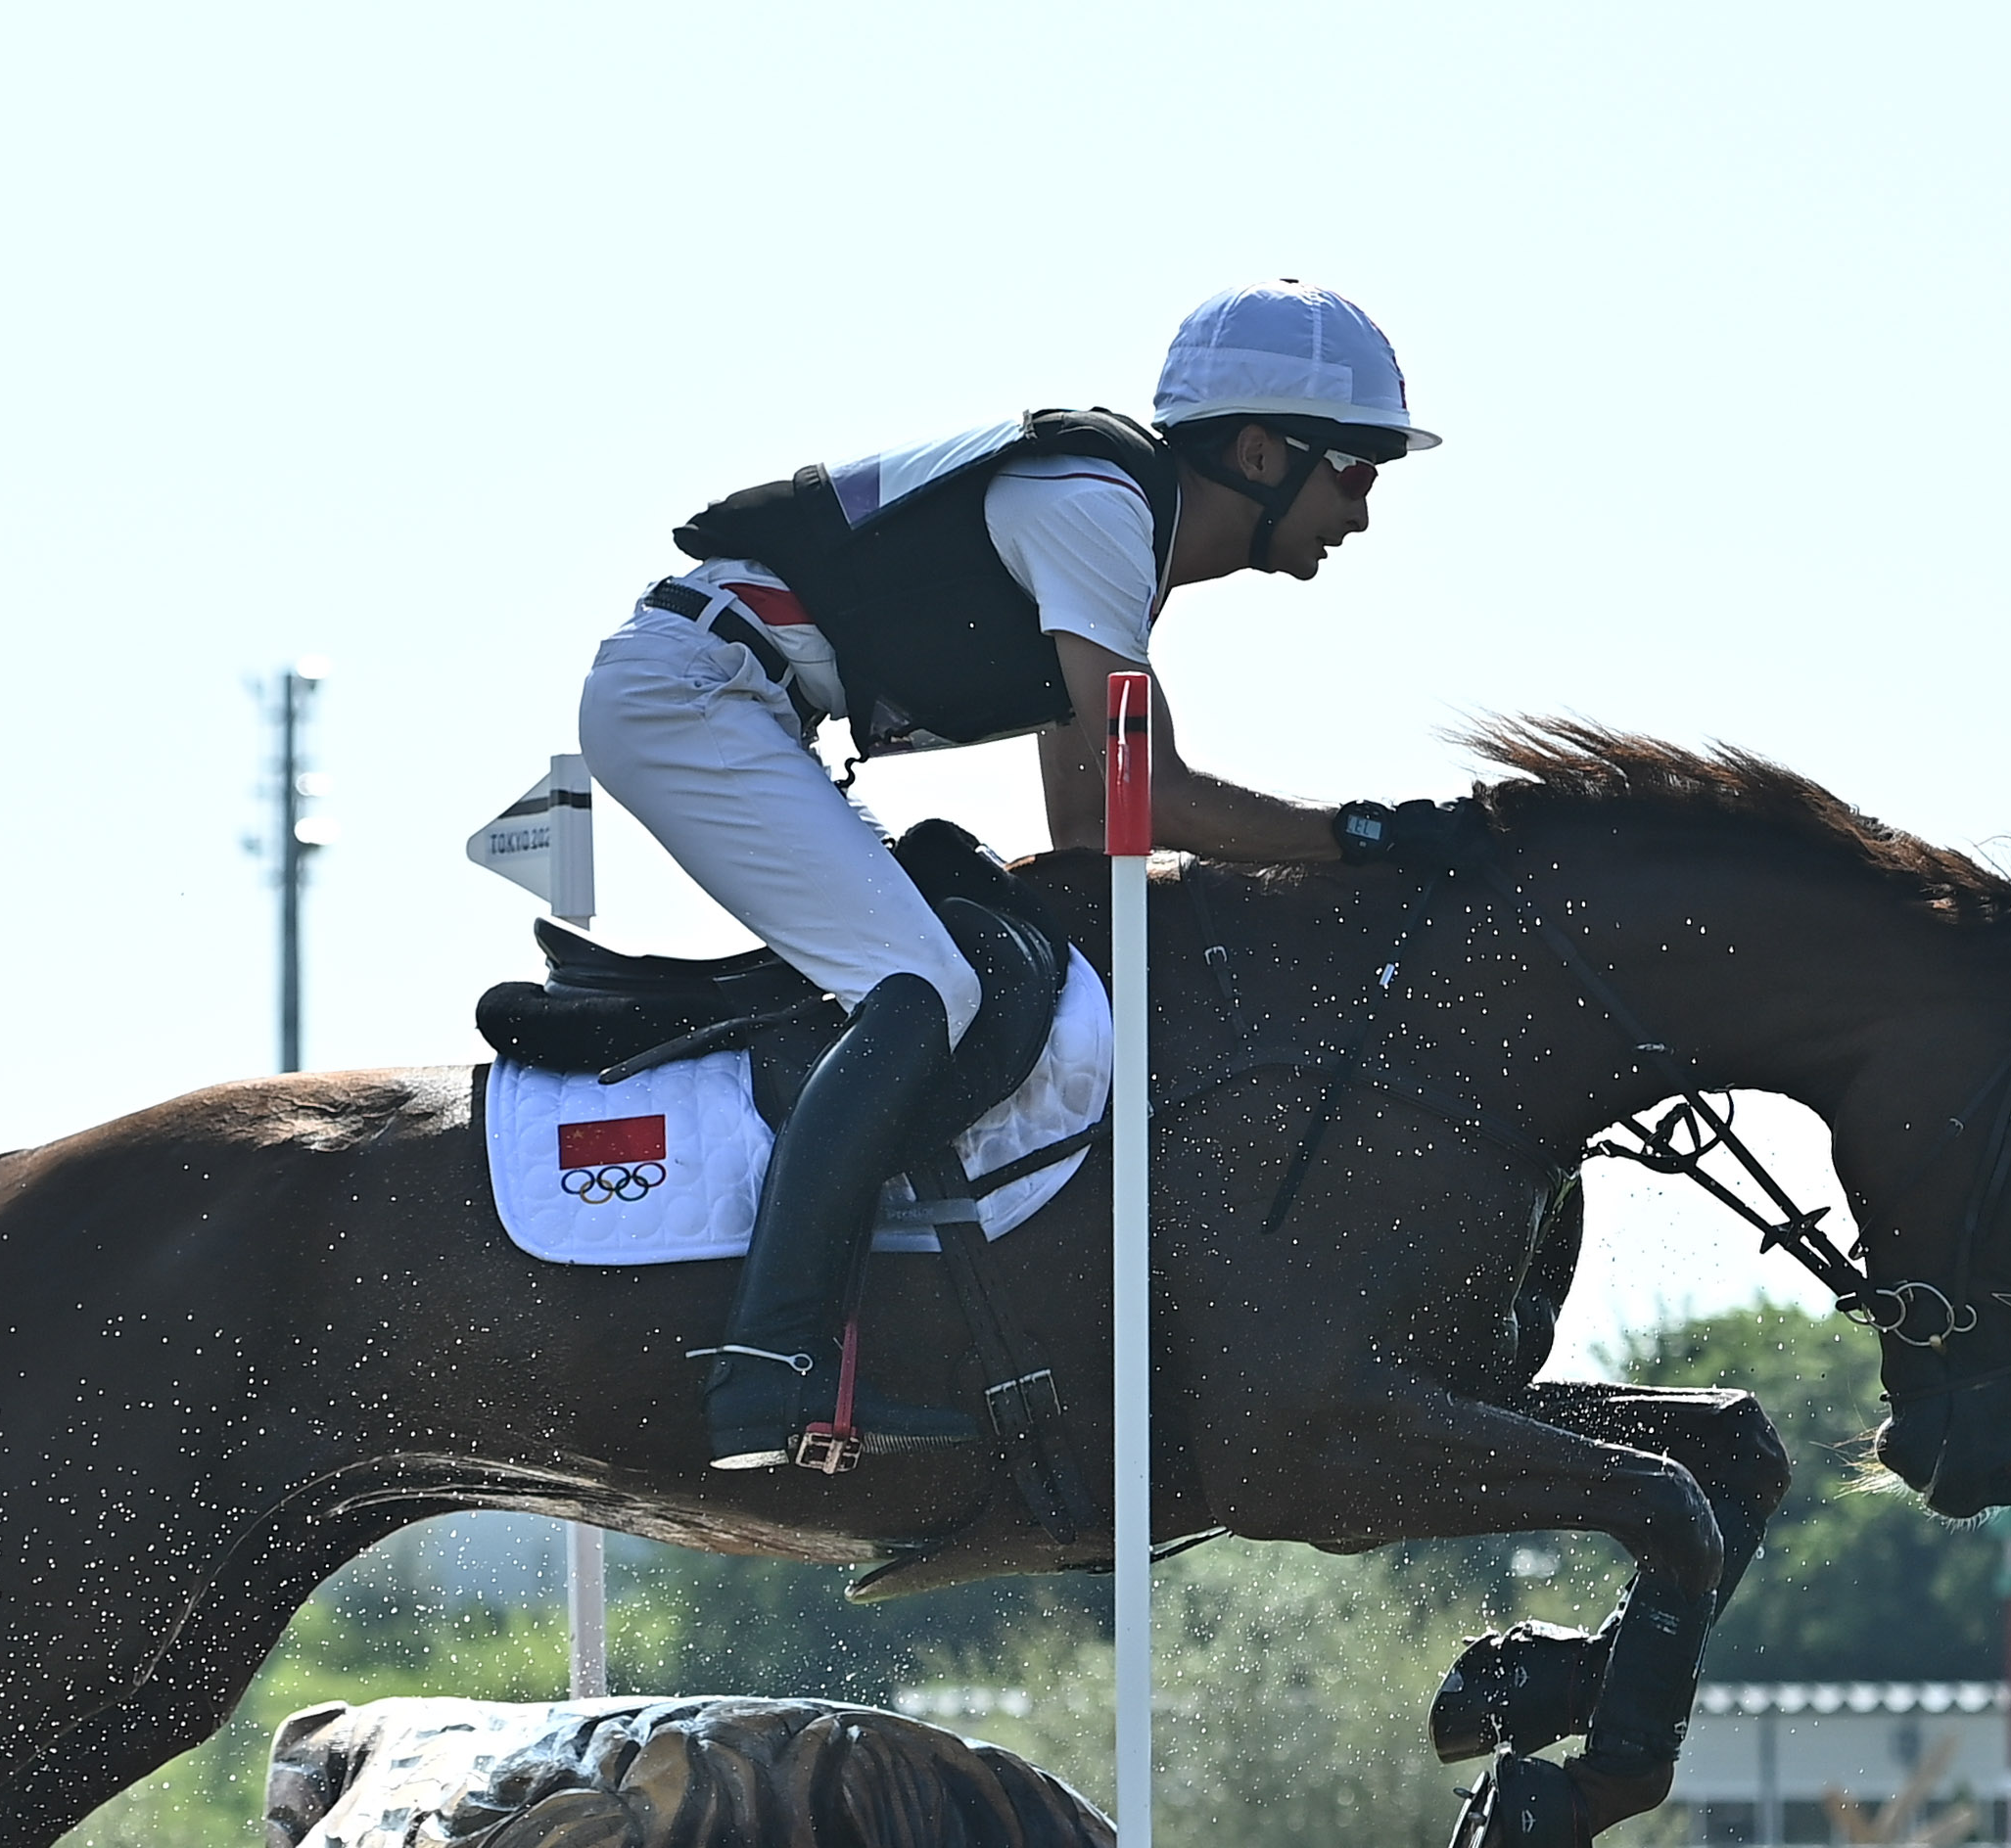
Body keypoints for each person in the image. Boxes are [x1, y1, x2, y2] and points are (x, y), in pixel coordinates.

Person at [578, 277, 1438, 1470]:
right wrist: (1366, 837)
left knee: (974, 971)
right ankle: (768, 1367)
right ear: (1257, 451)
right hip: (694, 696)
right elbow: (1156, 796)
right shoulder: (1097, 510)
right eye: (1354, 468)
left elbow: (1092, 828)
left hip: (732, 701)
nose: (1364, 508)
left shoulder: (1114, 543)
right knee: (929, 992)